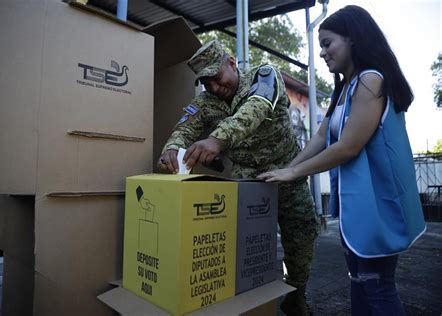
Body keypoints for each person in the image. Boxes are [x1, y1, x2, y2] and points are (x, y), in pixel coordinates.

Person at [258, 5, 426, 315]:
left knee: (377, 284)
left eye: (327, 43)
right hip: (359, 208)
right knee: (359, 280)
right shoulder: (345, 88)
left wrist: (294, 173)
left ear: (352, 39)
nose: (322, 53)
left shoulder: (371, 80)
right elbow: (321, 138)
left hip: (379, 205)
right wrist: (285, 169)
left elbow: (348, 147)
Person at [158, 40, 319, 315]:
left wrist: (217, 140)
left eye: (217, 77)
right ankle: (251, 298)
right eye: (206, 83)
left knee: (301, 235)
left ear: (231, 64)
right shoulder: (206, 102)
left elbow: (255, 109)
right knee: (246, 242)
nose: (214, 87)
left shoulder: (265, 75)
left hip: (287, 172)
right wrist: (171, 147)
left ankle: (296, 294)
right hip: (248, 180)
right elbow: (185, 126)